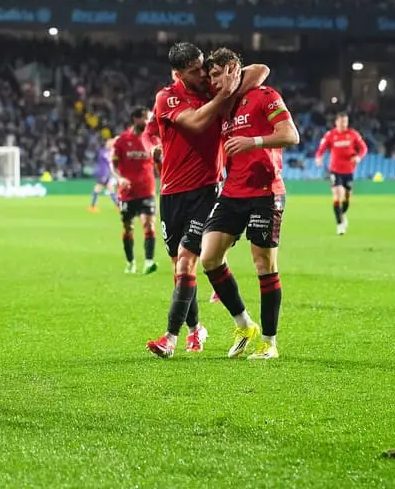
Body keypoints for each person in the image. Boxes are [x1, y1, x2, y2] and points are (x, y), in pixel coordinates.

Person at [144, 43, 269, 359]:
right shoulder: (168, 97)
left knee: (187, 260)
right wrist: (224, 95)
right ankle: (205, 327)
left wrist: (231, 77)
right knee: (180, 268)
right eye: (194, 71)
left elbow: (260, 70)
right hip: (172, 193)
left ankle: (170, 338)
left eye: (203, 67)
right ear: (178, 74)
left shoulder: (213, 87)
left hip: (207, 191)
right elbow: (197, 122)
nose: (202, 74)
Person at [199, 48, 300, 361]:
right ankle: (244, 324)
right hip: (233, 192)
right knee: (209, 258)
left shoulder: (264, 95)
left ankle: (269, 342)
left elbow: (290, 135)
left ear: (232, 68)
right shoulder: (225, 106)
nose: (213, 81)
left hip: (265, 191)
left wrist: (253, 141)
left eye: (217, 74)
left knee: (263, 264)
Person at [112, 108, 158, 275]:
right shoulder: (122, 141)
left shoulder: (152, 140)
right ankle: (131, 262)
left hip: (147, 190)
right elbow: (114, 165)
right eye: (146, 118)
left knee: (149, 225)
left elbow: (159, 162)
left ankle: (149, 261)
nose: (148, 122)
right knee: (128, 227)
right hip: (127, 193)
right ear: (136, 119)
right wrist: (120, 179)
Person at [314, 112, 368, 235]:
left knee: (347, 198)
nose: (344, 124)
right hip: (335, 170)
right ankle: (339, 225)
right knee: (337, 195)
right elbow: (320, 150)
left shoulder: (353, 134)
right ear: (336, 122)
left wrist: (359, 157)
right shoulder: (330, 135)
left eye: (346, 122)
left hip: (349, 171)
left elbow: (364, 148)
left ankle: (342, 215)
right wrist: (318, 158)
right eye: (342, 122)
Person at [89, 140, 119, 213]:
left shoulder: (110, 152)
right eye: (109, 143)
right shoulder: (103, 151)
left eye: (112, 144)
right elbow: (109, 159)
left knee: (110, 188)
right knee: (98, 188)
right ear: (106, 144)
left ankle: (117, 205)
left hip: (106, 173)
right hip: (102, 173)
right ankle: (92, 206)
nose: (111, 145)